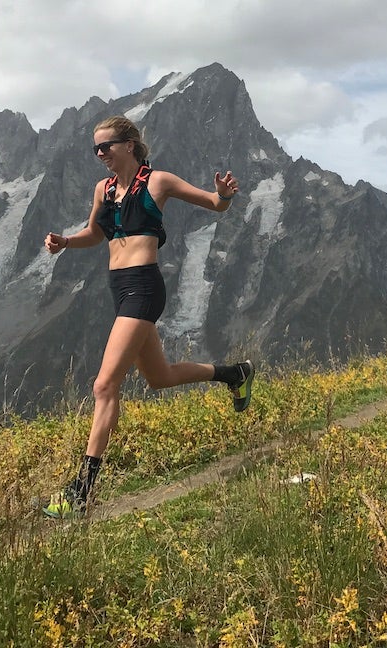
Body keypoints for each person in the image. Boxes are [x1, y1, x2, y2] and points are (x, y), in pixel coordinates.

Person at [41, 115, 255, 518]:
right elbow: (95, 234)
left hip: (144, 286)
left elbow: (214, 205)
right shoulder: (102, 189)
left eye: (106, 146)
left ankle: (80, 492)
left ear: (130, 145)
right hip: (119, 288)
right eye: (95, 149)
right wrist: (65, 242)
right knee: (160, 378)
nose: (100, 154)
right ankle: (235, 374)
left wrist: (223, 194)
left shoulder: (158, 182)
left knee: (105, 386)